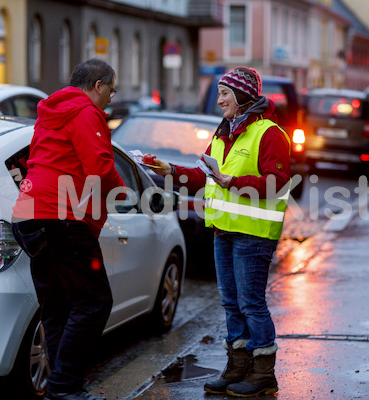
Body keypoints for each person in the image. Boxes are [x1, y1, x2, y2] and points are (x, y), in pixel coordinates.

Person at [149, 66, 291, 397]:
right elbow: (204, 178)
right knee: (231, 302)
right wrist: (169, 170)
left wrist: (234, 183)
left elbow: (279, 183)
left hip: (253, 234)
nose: (219, 100)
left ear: (242, 96)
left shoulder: (269, 134)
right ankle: (237, 367)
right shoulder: (224, 131)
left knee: (251, 303)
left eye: (225, 93)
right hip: (223, 230)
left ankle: (263, 372)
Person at [11, 58, 125, 400]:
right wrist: (126, 191)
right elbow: (100, 167)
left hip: (30, 214)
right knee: (95, 301)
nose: (111, 98)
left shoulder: (49, 112)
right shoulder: (86, 112)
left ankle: (61, 386)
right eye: (111, 90)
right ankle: (64, 385)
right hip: (59, 216)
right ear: (98, 86)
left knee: (57, 305)